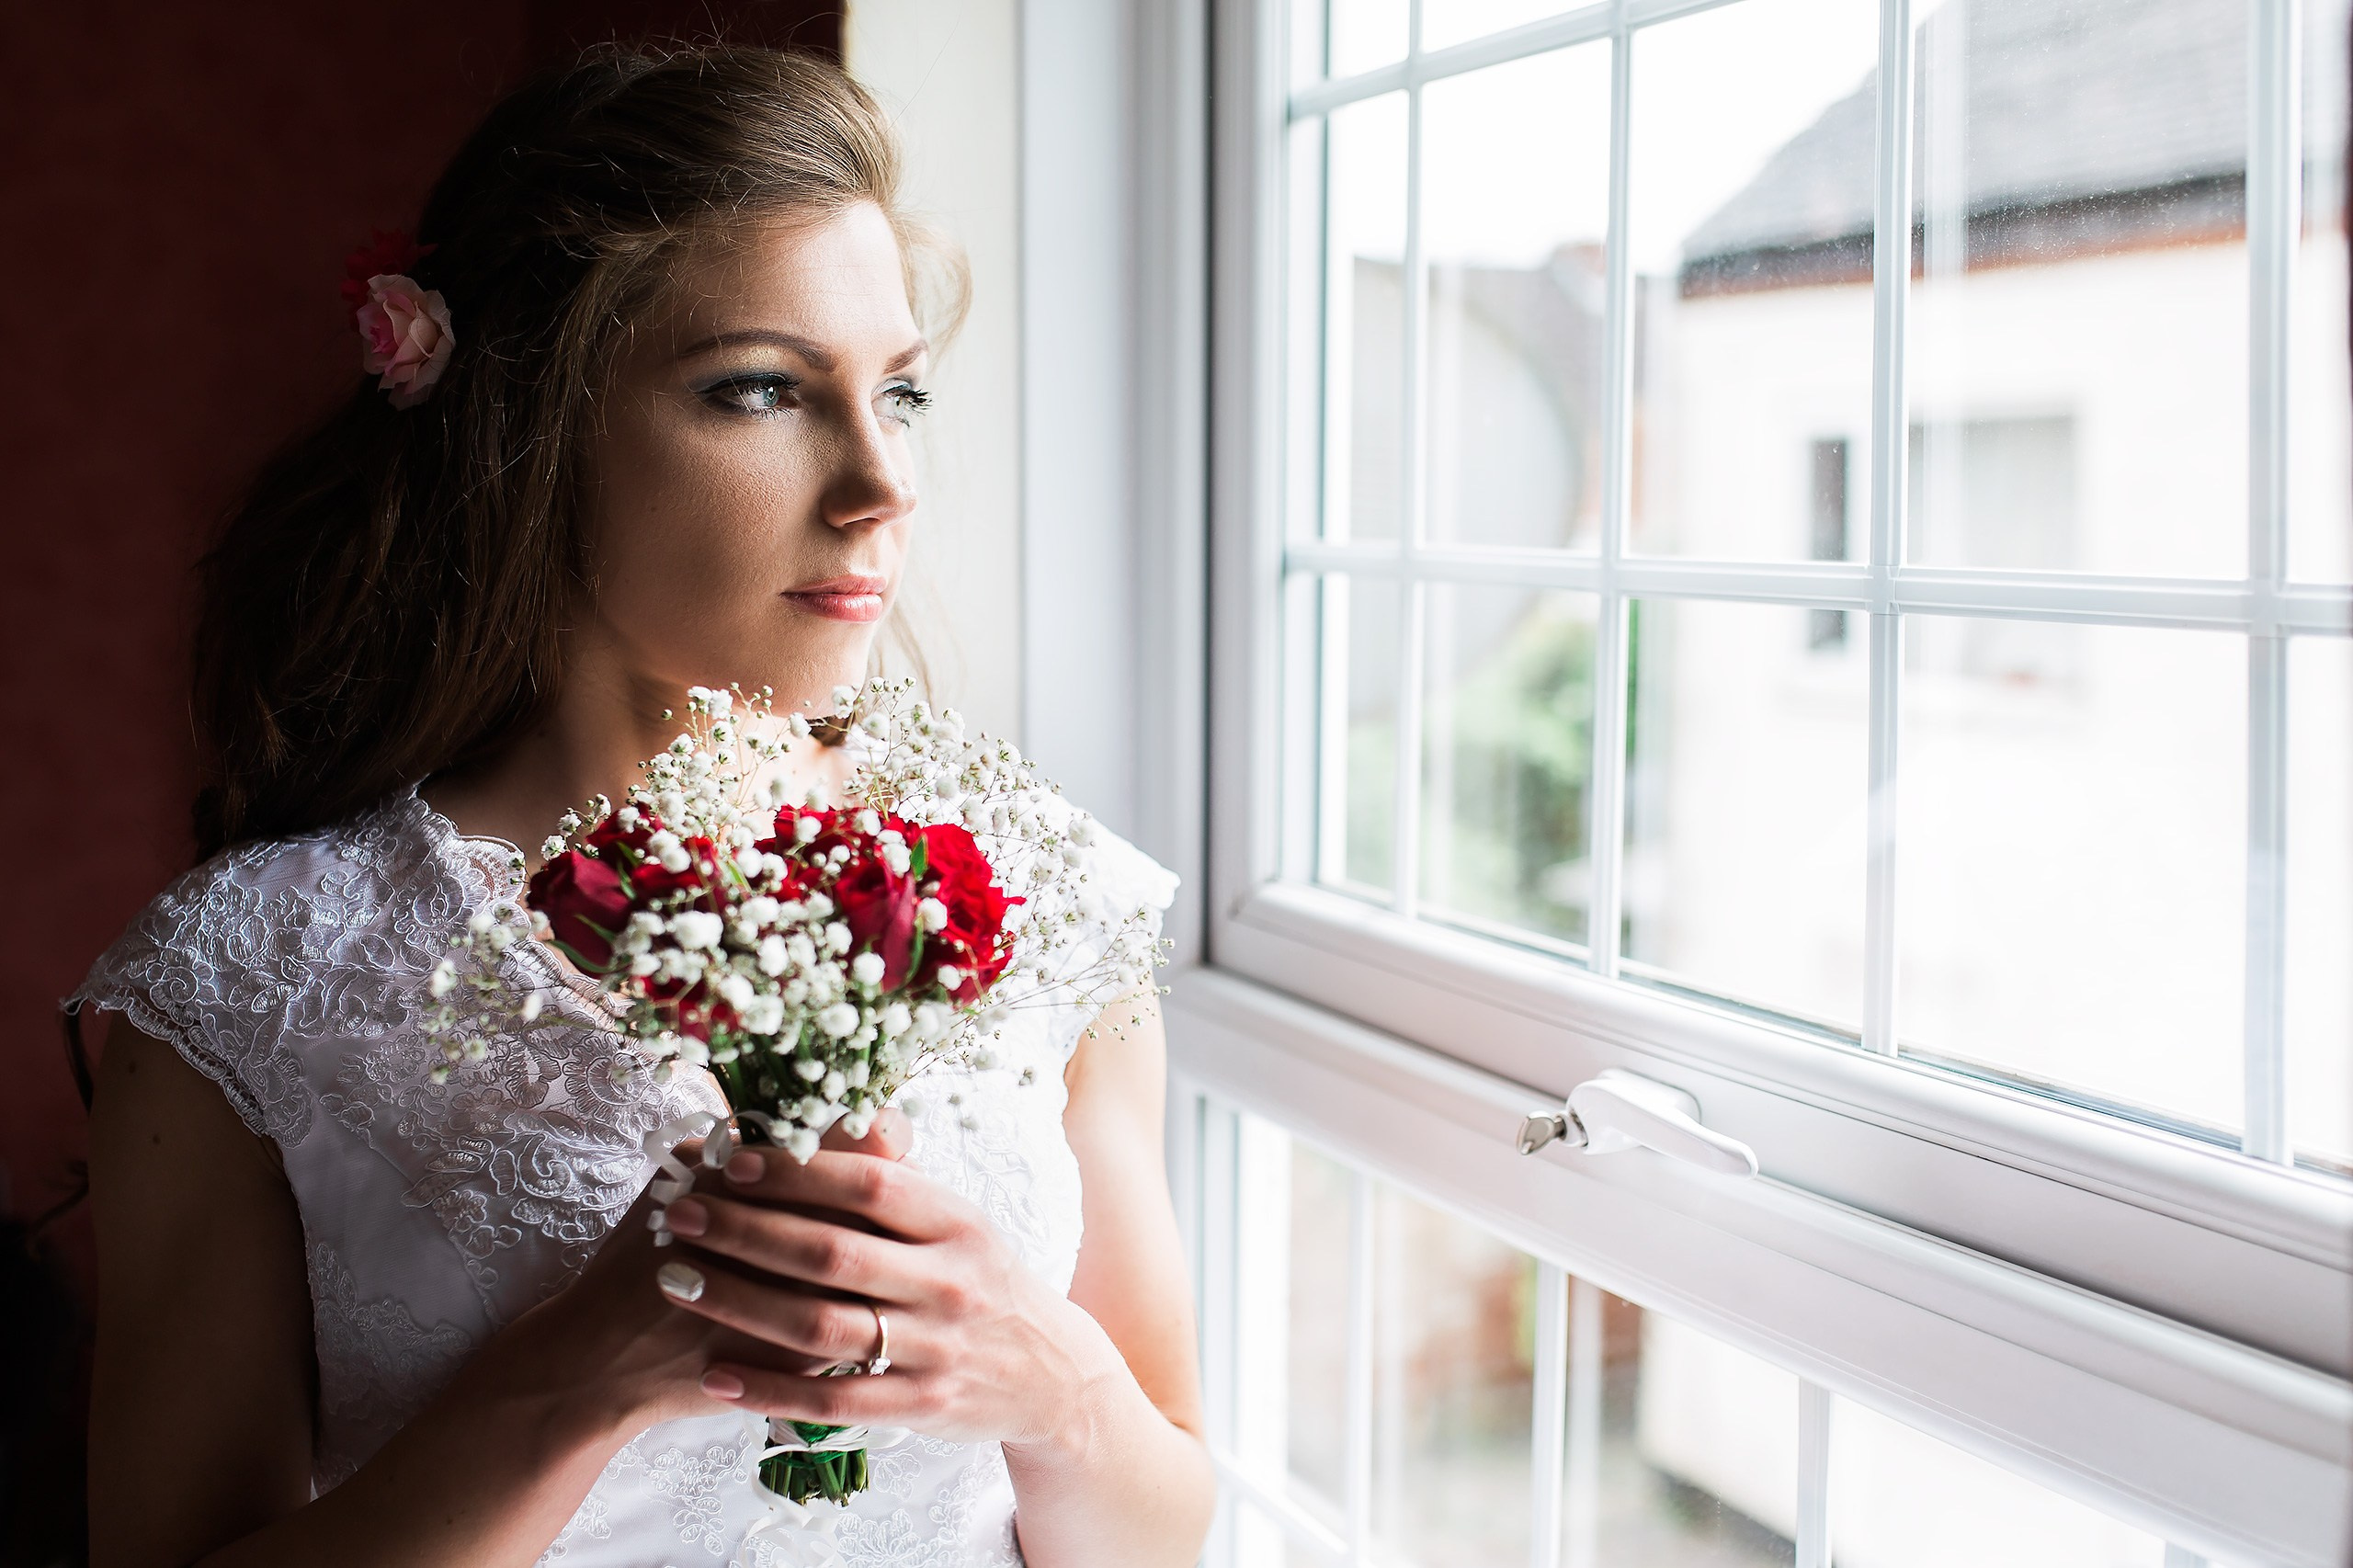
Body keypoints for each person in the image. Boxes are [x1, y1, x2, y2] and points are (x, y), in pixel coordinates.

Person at [69, 46, 1213, 1568]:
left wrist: (1043, 1375)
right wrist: (571, 1377)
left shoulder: (1044, 895)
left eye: (901, 391)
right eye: (761, 390)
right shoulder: (241, 984)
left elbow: (1165, 1532)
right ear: (530, 426)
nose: (882, 484)